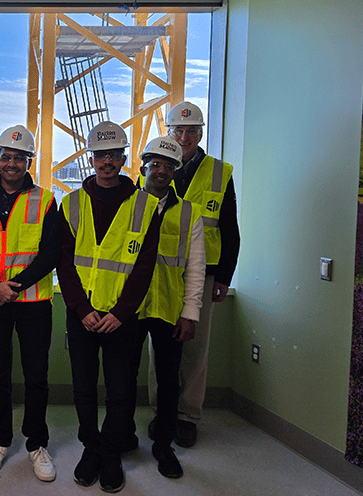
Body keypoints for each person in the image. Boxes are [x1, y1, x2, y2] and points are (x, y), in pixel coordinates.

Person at [57, 121, 160, 493]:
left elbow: (145, 266)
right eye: (100, 155)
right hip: (82, 314)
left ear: (123, 157)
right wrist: (82, 309)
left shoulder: (146, 206)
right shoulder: (70, 204)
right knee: (83, 388)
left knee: (121, 389)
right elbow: (64, 263)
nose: (106, 162)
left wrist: (120, 313)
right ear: (92, 157)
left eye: (113, 155)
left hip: (122, 319)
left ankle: (112, 452)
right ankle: (91, 448)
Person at [0, 124, 60, 482]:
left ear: (28, 161)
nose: (12, 164)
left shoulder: (47, 200)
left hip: (32, 301)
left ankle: (37, 443)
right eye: (7, 157)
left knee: (36, 376)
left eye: (20, 158)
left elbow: (51, 253)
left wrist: (14, 286)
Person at [159, 101, 240, 448]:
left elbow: (231, 229)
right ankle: (161, 412)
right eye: (178, 130)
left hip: (204, 273)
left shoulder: (220, 173)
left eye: (191, 131)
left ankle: (187, 416)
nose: (184, 136)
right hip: (161, 273)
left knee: (195, 348)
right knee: (160, 347)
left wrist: (224, 277)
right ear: (169, 132)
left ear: (201, 133)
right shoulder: (155, 167)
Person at [131, 136, 205, 479]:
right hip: (128, 308)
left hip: (168, 308)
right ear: (144, 166)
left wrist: (190, 313)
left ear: (176, 171)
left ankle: (164, 445)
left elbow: (196, 266)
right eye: (156, 164)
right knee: (123, 378)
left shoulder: (189, 212)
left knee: (169, 379)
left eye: (169, 166)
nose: (161, 171)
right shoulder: (126, 204)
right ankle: (122, 437)